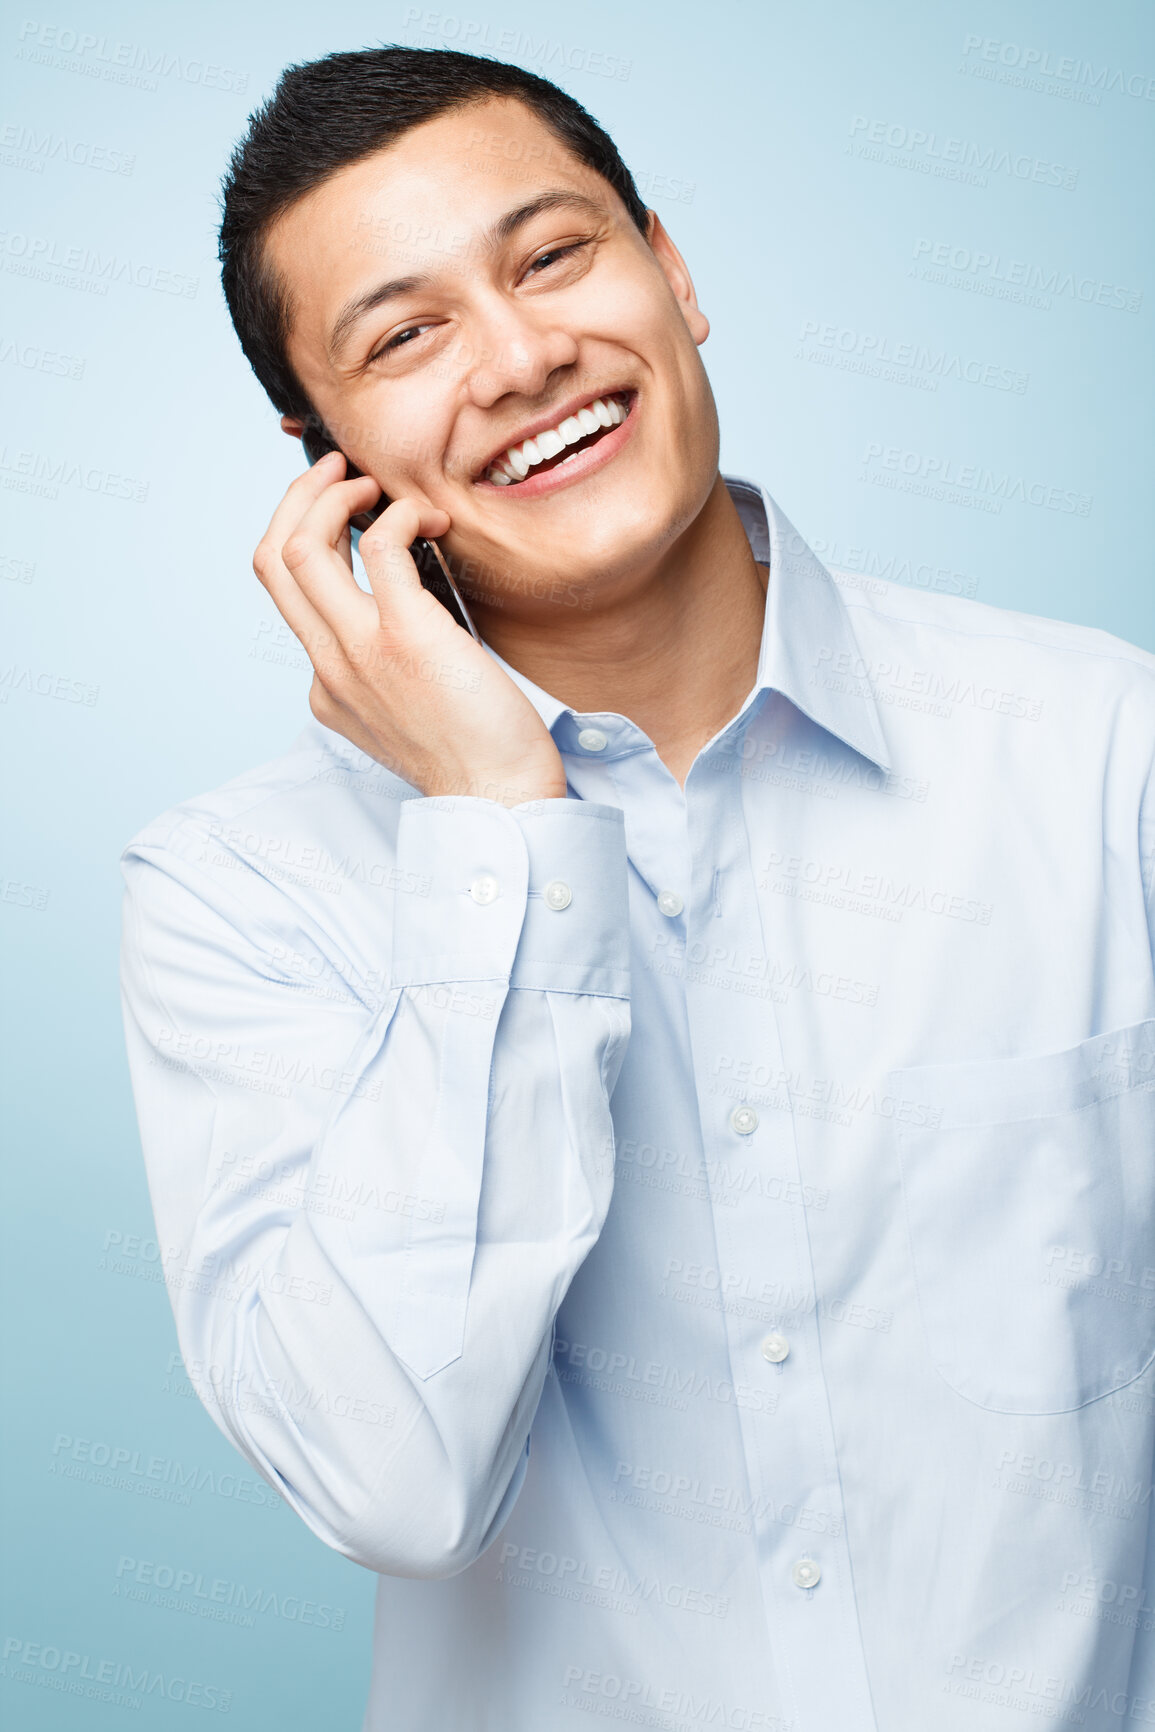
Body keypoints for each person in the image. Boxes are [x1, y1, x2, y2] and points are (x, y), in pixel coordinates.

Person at [120, 44, 1155, 1732]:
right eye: (407, 335)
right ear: (325, 457)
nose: (524, 358)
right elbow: (391, 1483)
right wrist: (499, 828)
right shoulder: (238, 895)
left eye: (552, 258)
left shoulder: (1102, 752)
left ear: (672, 272)